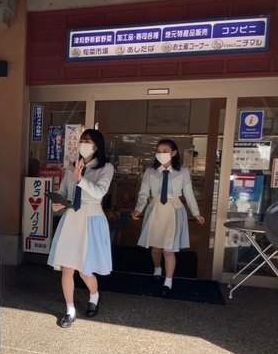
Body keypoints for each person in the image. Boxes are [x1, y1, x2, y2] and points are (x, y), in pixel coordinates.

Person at [47, 129, 114, 328]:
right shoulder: (71, 165)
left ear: (96, 145)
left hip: (91, 218)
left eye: (88, 141)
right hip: (71, 219)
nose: (83, 144)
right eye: (81, 140)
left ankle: (94, 295)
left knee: (85, 270)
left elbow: (99, 192)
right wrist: (58, 203)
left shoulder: (105, 167)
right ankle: (70, 309)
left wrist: (80, 179)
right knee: (67, 268)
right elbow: (63, 192)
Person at [131, 139, 204, 297]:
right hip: (155, 209)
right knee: (156, 248)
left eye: (165, 151)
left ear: (174, 153)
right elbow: (144, 192)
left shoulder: (182, 171)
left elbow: (189, 194)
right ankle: (157, 268)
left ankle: (168, 281)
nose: (161, 154)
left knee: (169, 250)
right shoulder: (150, 171)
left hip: (174, 210)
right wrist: (138, 209)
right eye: (158, 151)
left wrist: (196, 213)